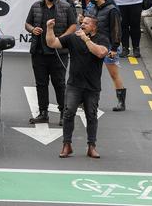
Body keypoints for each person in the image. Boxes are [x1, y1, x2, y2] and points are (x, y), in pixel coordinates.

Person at [46, 16, 109, 159]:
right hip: (74, 84)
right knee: (68, 114)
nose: (82, 25)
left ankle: (91, 146)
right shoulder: (73, 38)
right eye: (82, 23)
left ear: (94, 27)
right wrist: (49, 29)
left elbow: (100, 53)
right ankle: (66, 145)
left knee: (92, 116)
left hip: (92, 86)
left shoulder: (102, 39)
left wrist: (86, 39)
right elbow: (52, 43)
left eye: (86, 23)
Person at [25, 0, 77, 126]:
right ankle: (43, 113)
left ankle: (63, 114)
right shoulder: (36, 6)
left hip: (58, 53)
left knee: (59, 83)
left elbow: (73, 25)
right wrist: (32, 29)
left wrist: (61, 39)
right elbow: (27, 23)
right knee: (41, 84)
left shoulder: (65, 7)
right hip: (39, 52)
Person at [88, 0, 126, 111]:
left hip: (109, 45)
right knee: (90, 73)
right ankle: (88, 101)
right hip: (94, 44)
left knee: (114, 74)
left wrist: (114, 48)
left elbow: (116, 29)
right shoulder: (92, 8)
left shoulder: (112, 10)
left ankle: (121, 102)